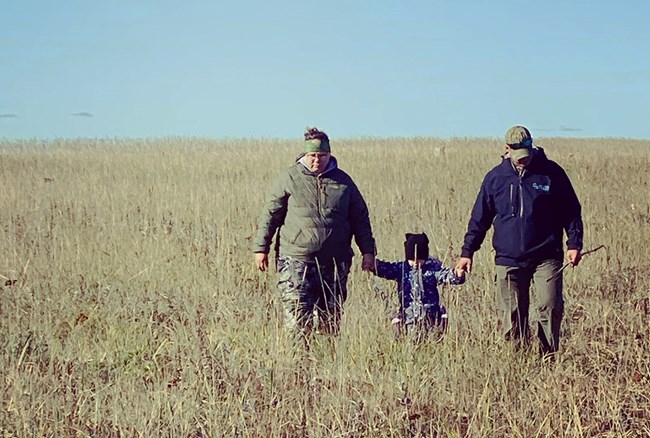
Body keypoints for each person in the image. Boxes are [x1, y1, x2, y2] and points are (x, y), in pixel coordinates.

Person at [455, 125, 583, 356]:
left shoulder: (552, 173)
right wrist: (467, 252)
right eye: (518, 157)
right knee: (512, 314)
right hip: (508, 259)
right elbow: (479, 218)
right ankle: (518, 361)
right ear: (507, 149)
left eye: (526, 155)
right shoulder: (495, 178)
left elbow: (571, 210)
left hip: (547, 256)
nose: (523, 161)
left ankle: (548, 360)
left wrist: (574, 244)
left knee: (549, 307)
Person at [252, 127, 376, 342]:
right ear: (305, 155)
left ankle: (327, 367)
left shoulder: (344, 182)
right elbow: (270, 215)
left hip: (335, 262)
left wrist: (368, 251)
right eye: (312, 156)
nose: (317, 160)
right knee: (297, 321)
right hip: (296, 260)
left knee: (331, 320)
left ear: (329, 155)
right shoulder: (289, 178)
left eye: (322, 156)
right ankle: (298, 370)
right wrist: (261, 248)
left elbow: (360, 218)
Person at [373, 233, 465, 337]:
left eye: (419, 259)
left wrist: (457, 274)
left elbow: (446, 275)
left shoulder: (433, 270)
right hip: (409, 319)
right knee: (412, 342)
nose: (416, 262)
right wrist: (373, 264)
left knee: (432, 343)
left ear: (425, 257)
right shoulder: (401, 269)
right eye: (412, 259)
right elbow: (386, 269)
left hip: (431, 319)